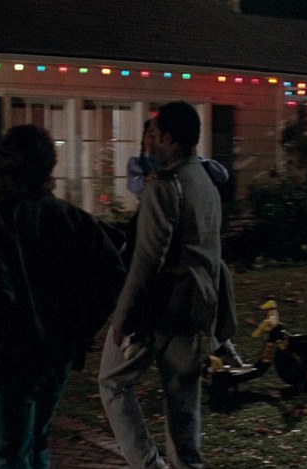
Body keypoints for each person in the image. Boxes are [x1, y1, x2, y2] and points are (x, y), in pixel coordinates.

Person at [0, 124, 127, 469]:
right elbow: (113, 275)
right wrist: (79, 333)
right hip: (55, 356)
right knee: (37, 438)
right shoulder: (73, 220)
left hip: (12, 359)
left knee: (11, 452)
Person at [99, 101, 221, 468]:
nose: (151, 141)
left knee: (112, 383)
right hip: (194, 304)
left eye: (155, 134)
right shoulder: (207, 182)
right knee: (183, 400)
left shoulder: (165, 187)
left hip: (157, 310)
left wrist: (123, 319)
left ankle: (149, 464)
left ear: (169, 138)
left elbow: (146, 261)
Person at [125, 118, 244, 368]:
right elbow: (136, 184)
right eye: (149, 135)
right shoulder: (141, 164)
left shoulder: (184, 165)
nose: (153, 140)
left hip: (180, 233)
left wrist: (196, 162)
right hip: (153, 228)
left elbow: (220, 175)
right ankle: (136, 331)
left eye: (157, 135)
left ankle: (221, 341)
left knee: (217, 272)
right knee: (146, 271)